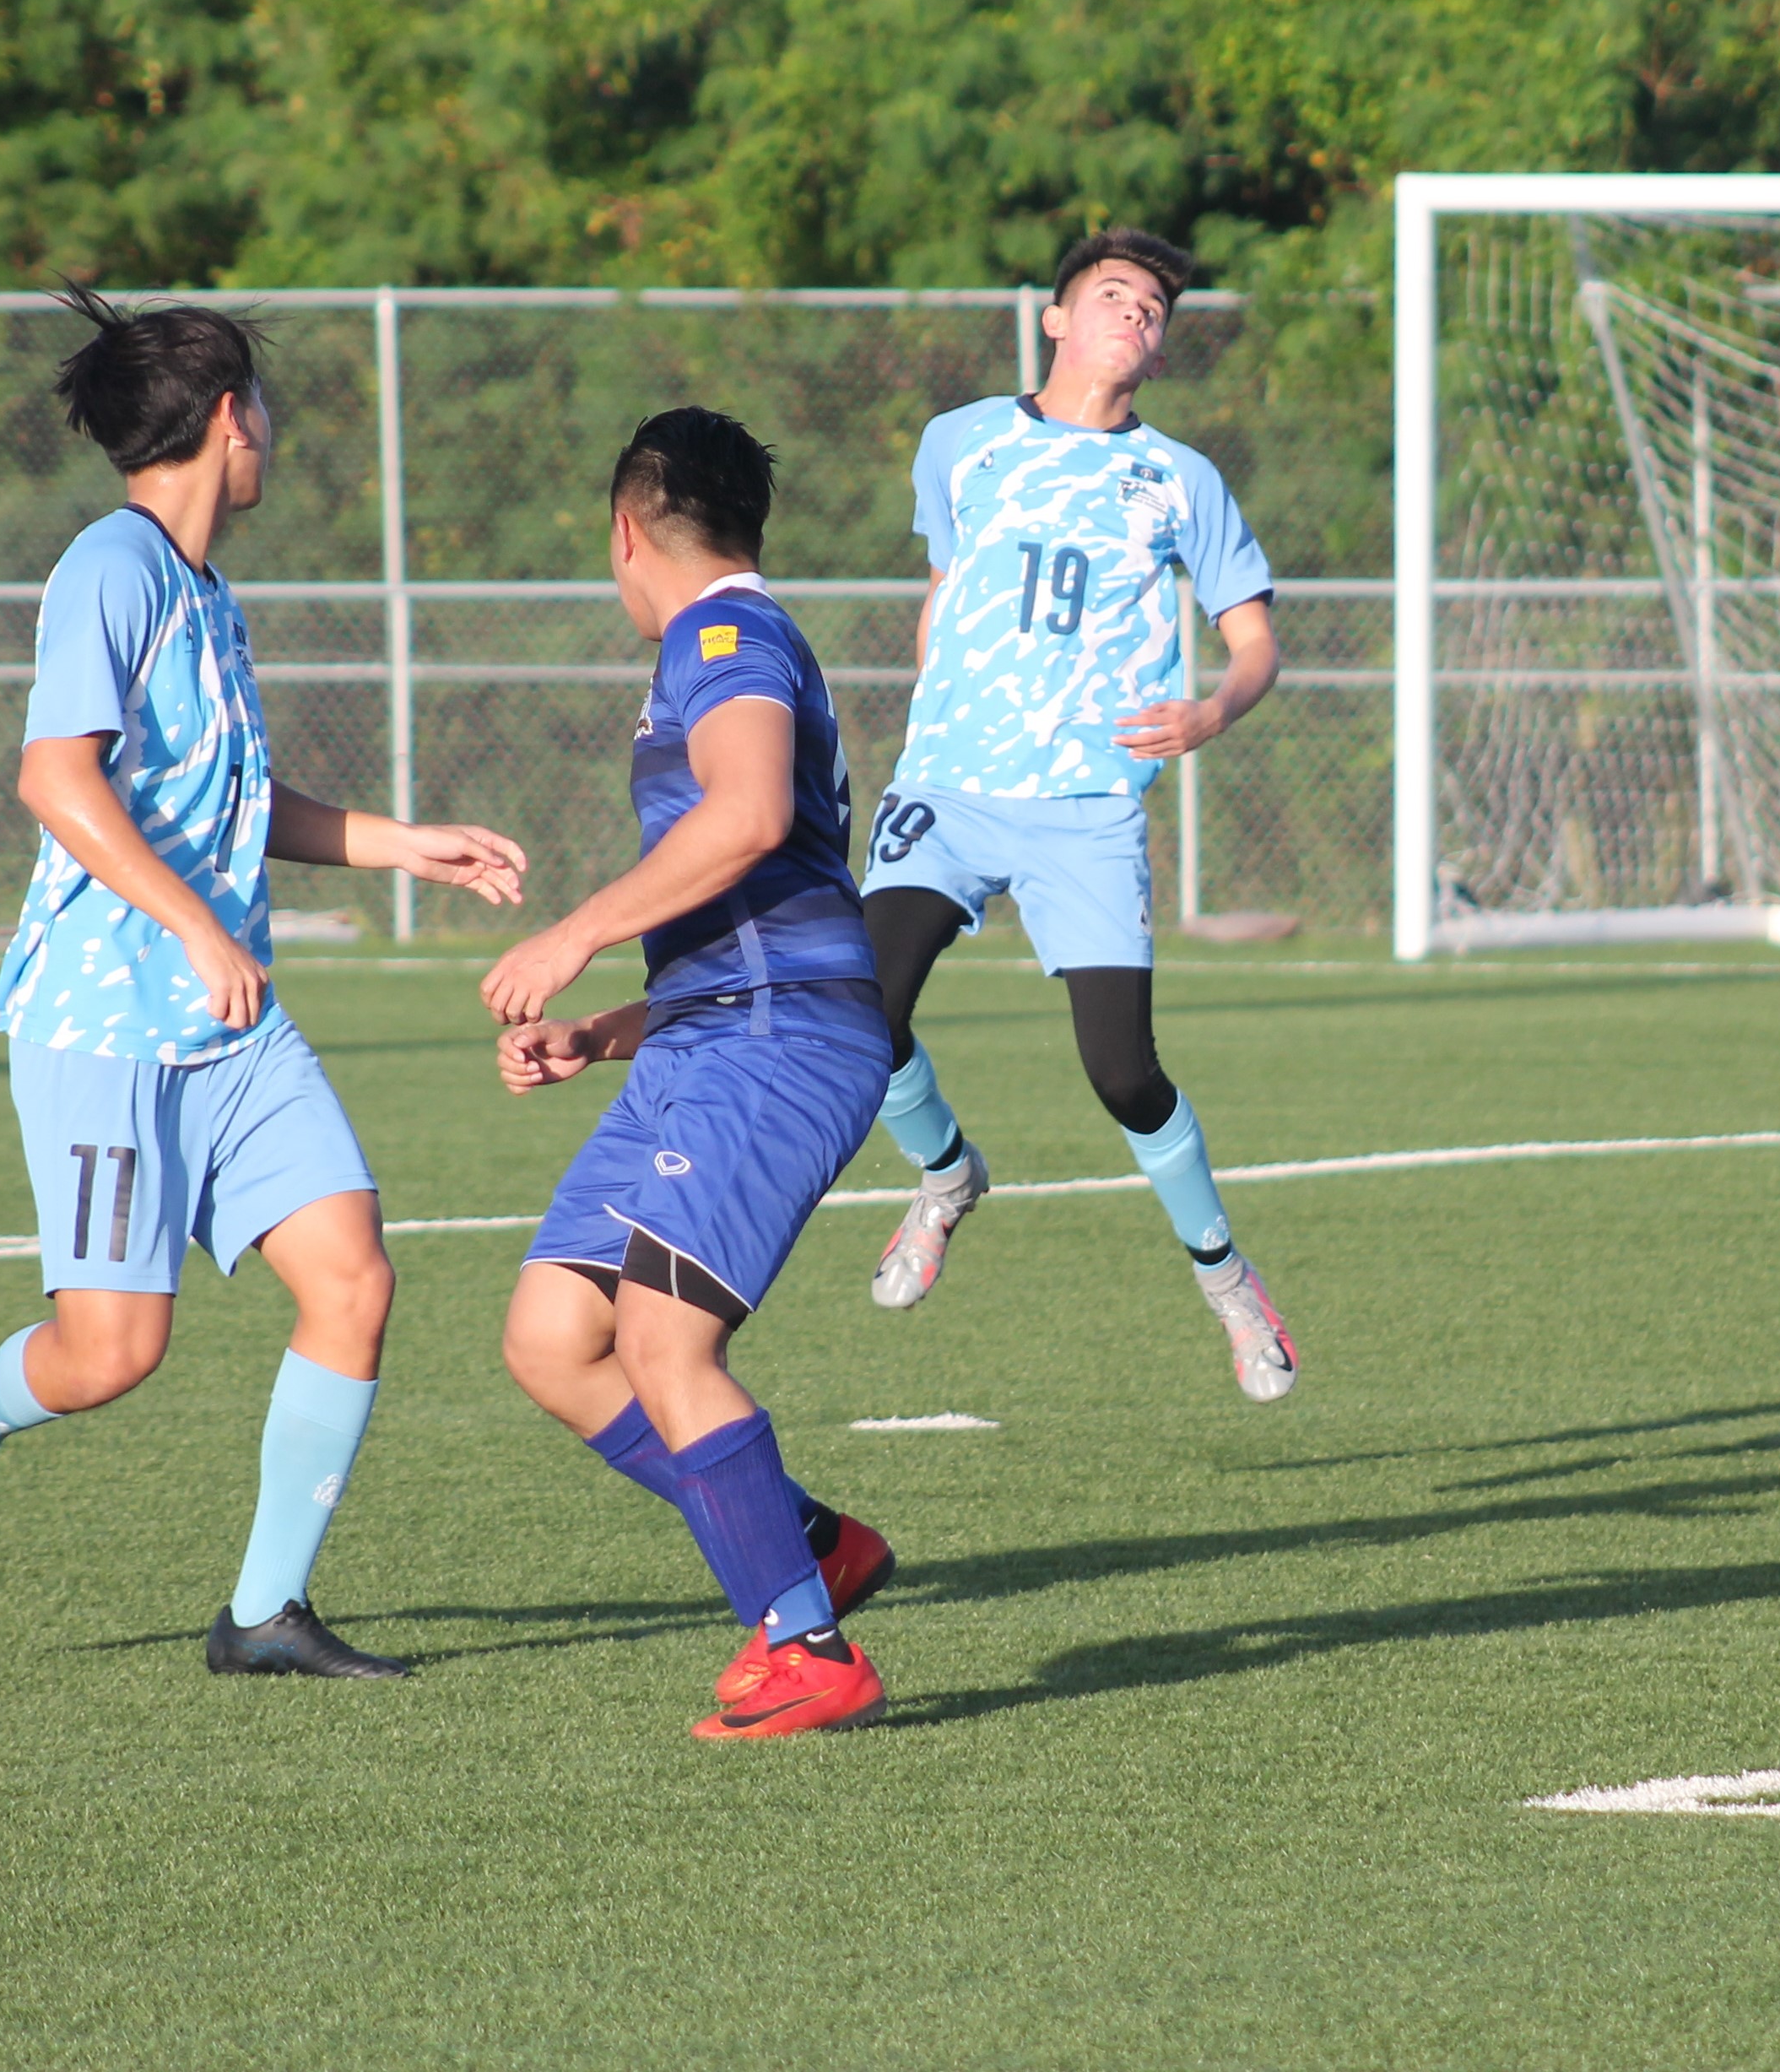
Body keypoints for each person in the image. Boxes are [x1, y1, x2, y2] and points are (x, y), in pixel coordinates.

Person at [0, 287, 525, 1679]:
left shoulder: (203, 591)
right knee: (111, 1352)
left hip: (230, 1028)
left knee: (352, 1278)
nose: (272, 438)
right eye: (264, 411)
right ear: (228, 417)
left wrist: (400, 844)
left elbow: (228, 804)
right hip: (107, 1025)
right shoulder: (111, 565)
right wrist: (195, 926)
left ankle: (264, 1613)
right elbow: (56, 778)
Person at [488, 406, 895, 1741]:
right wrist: (608, 1029)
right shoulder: (715, 642)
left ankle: (808, 1646)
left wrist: (572, 930)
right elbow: (742, 905)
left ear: (625, 528)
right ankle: (806, 1545)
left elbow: (751, 815)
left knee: (666, 1339)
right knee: (554, 1338)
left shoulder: (722, 634)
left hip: (775, 1048)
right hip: (709, 1035)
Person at [859, 228, 1296, 1401]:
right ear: (1054, 318)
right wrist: (927, 732)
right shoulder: (961, 441)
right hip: (946, 790)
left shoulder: (1180, 479)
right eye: (1114, 297)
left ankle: (1227, 1281)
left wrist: (1211, 713)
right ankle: (946, 1176)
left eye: (1154, 310)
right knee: (861, 1012)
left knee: (1122, 1073)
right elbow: (948, 592)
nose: (1136, 318)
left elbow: (1253, 642)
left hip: (1087, 808)